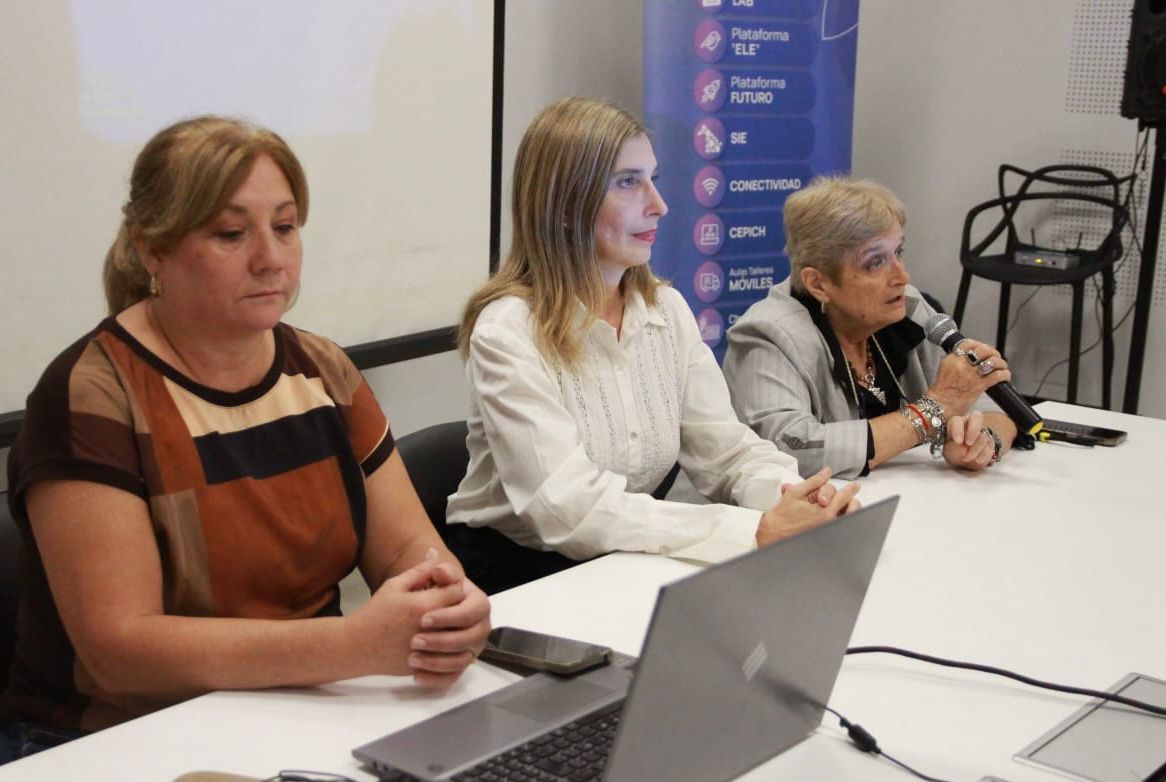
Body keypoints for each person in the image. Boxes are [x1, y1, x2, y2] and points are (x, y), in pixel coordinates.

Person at [0, 116, 490, 761]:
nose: (270, 258)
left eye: (285, 227)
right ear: (152, 250)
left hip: (297, 713)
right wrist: (352, 647)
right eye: (232, 234)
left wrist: (447, 609)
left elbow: (409, 553)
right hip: (110, 742)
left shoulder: (323, 369)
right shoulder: (92, 393)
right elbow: (120, 651)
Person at [445, 97, 860, 594]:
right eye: (628, 182)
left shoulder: (665, 309)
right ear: (565, 205)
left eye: (652, 179)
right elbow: (566, 508)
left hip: (626, 559)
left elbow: (725, 452)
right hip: (518, 580)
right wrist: (751, 530)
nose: (659, 205)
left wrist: (795, 497)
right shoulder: (508, 330)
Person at [723, 175, 1020, 479]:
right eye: (875, 262)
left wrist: (982, 440)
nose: (902, 276)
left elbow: (987, 402)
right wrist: (932, 411)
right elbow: (789, 447)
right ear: (818, 283)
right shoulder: (768, 335)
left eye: (898, 253)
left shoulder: (909, 308)